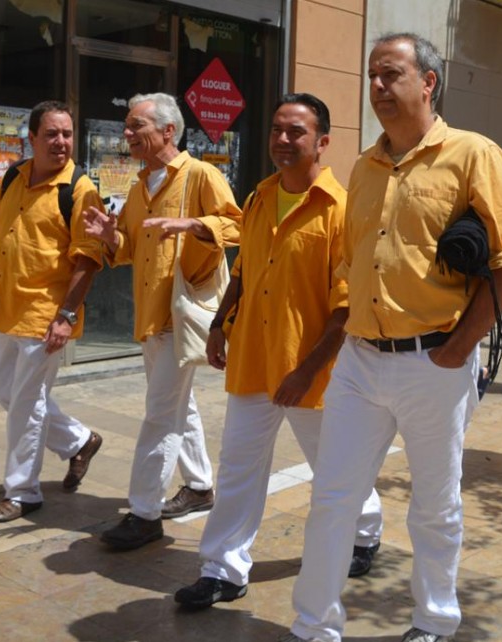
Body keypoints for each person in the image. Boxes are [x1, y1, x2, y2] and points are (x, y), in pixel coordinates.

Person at [281, 33, 502, 642]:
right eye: (371, 76)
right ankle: (313, 626)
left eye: (390, 75)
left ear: (428, 83)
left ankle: (434, 622)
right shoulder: (363, 170)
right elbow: (353, 265)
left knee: (434, 505)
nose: (376, 88)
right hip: (361, 362)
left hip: (435, 363)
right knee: (333, 499)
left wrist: (456, 350)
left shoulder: (474, 154)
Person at [173, 94, 383, 609]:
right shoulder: (260, 197)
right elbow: (244, 270)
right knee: (239, 465)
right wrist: (221, 324)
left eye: (296, 132)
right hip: (254, 356)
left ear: (322, 142)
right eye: (277, 130)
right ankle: (223, 568)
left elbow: (345, 306)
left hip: (312, 370)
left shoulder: (342, 210)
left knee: (333, 465)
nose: (283, 140)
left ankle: (365, 529)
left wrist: (306, 371)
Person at [82, 92, 240, 550]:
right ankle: (200, 485)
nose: (126, 135)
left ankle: (145, 512)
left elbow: (239, 225)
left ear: (168, 131)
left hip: (182, 315)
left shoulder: (200, 175)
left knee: (159, 415)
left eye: (136, 127)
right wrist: (111, 238)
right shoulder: (139, 186)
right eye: (126, 127)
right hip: (152, 317)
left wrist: (193, 226)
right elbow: (132, 249)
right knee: (175, 405)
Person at [0, 100, 105, 523]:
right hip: (5, 308)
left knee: (26, 403)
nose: (62, 142)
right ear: (32, 138)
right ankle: (79, 441)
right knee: (6, 393)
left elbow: (88, 256)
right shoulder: (14, 178)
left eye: (68, 134)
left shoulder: (79, 188)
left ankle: (22, 493)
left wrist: (67, 315)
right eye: (52, 134)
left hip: (45, 314)